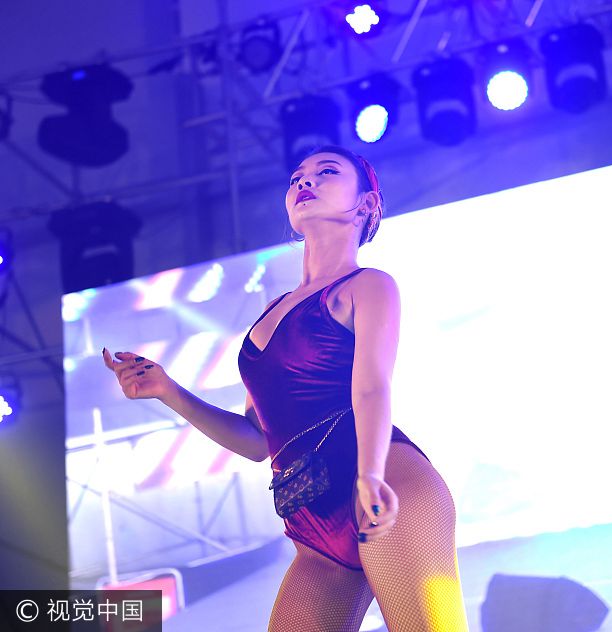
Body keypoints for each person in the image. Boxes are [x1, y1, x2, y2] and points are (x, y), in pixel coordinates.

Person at [103, 146, 469, 631]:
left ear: (366, 204)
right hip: (311, 524)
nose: (304, 182)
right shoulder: (270, 312)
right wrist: (168, 389)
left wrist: (370, 473)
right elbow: (258, 441)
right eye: (297, 177)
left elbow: (372, 388)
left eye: (326, 172)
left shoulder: (368, 285)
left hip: (387, 482)